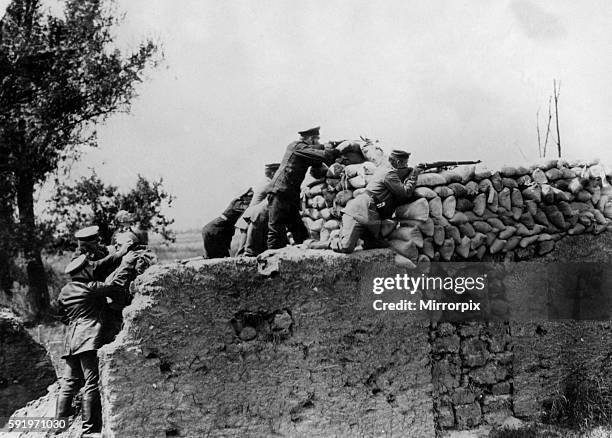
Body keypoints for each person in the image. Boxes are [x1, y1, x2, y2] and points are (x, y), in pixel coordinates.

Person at [55, 253, 131, 436]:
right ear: (85, 270)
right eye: (90, 267)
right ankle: (90, 430)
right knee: (91, 383)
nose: (92, 269)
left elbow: (62, 317)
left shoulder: (64, 291)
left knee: (68, 384)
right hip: (90, 340)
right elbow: (117, 289)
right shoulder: (93, 287)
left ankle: (59, 428)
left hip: (72, 342)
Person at [328, 149, 423, 253]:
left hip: (371, 216)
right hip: (359, 212)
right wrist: (414, 174)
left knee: (379, 245)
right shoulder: (388, 173)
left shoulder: (384, 170)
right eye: (405, 163)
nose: (406, 165)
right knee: (346, 247)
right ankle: (328, 242)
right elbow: (405, 192)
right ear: (398, 162)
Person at [267, 126, 339, 249]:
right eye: (317, 140)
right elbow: (324, 156)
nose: (318, 142)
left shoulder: (303, 150)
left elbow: (317, 168)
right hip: (280, 192)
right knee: (276, 230)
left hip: (289, 194)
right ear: (311, 139)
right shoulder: (297, 146)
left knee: (299, 230)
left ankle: (301, 260)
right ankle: (270, 262)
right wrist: (332, 149)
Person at [231, 162, 280, 256]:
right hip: (253, 216)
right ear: (273, 173)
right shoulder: (269, 184)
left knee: (243, 247)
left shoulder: (264, 182)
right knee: (246, 249)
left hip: (250, 215)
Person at [202, 188, 253, 258]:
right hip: (214, 230)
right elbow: (250, 208)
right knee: (215, 256)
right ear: (244, 197)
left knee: (222, 256)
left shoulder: (240, 203)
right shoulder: (237, 203)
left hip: (220, 230)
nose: (252, 198)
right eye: (250, 196)